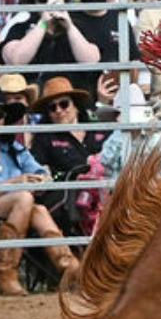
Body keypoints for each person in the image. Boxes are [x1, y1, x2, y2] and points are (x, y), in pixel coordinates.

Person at [0, 84, 77, 295]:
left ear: (5, 119)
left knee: (38, 209)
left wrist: (40, 179)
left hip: (17, 207)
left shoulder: (16, 149)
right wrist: (14, 183)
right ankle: (9, 273)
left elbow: (40, 172)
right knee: (25, 199)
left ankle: (67, 268)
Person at [29, 75, 108, 238]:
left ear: (76, 106)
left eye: (64, 104)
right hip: (70, 196)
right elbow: (38, 167)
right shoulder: (45, 138)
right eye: (52, 108)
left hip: (105, 190)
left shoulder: (98, 129)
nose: (58, 110)